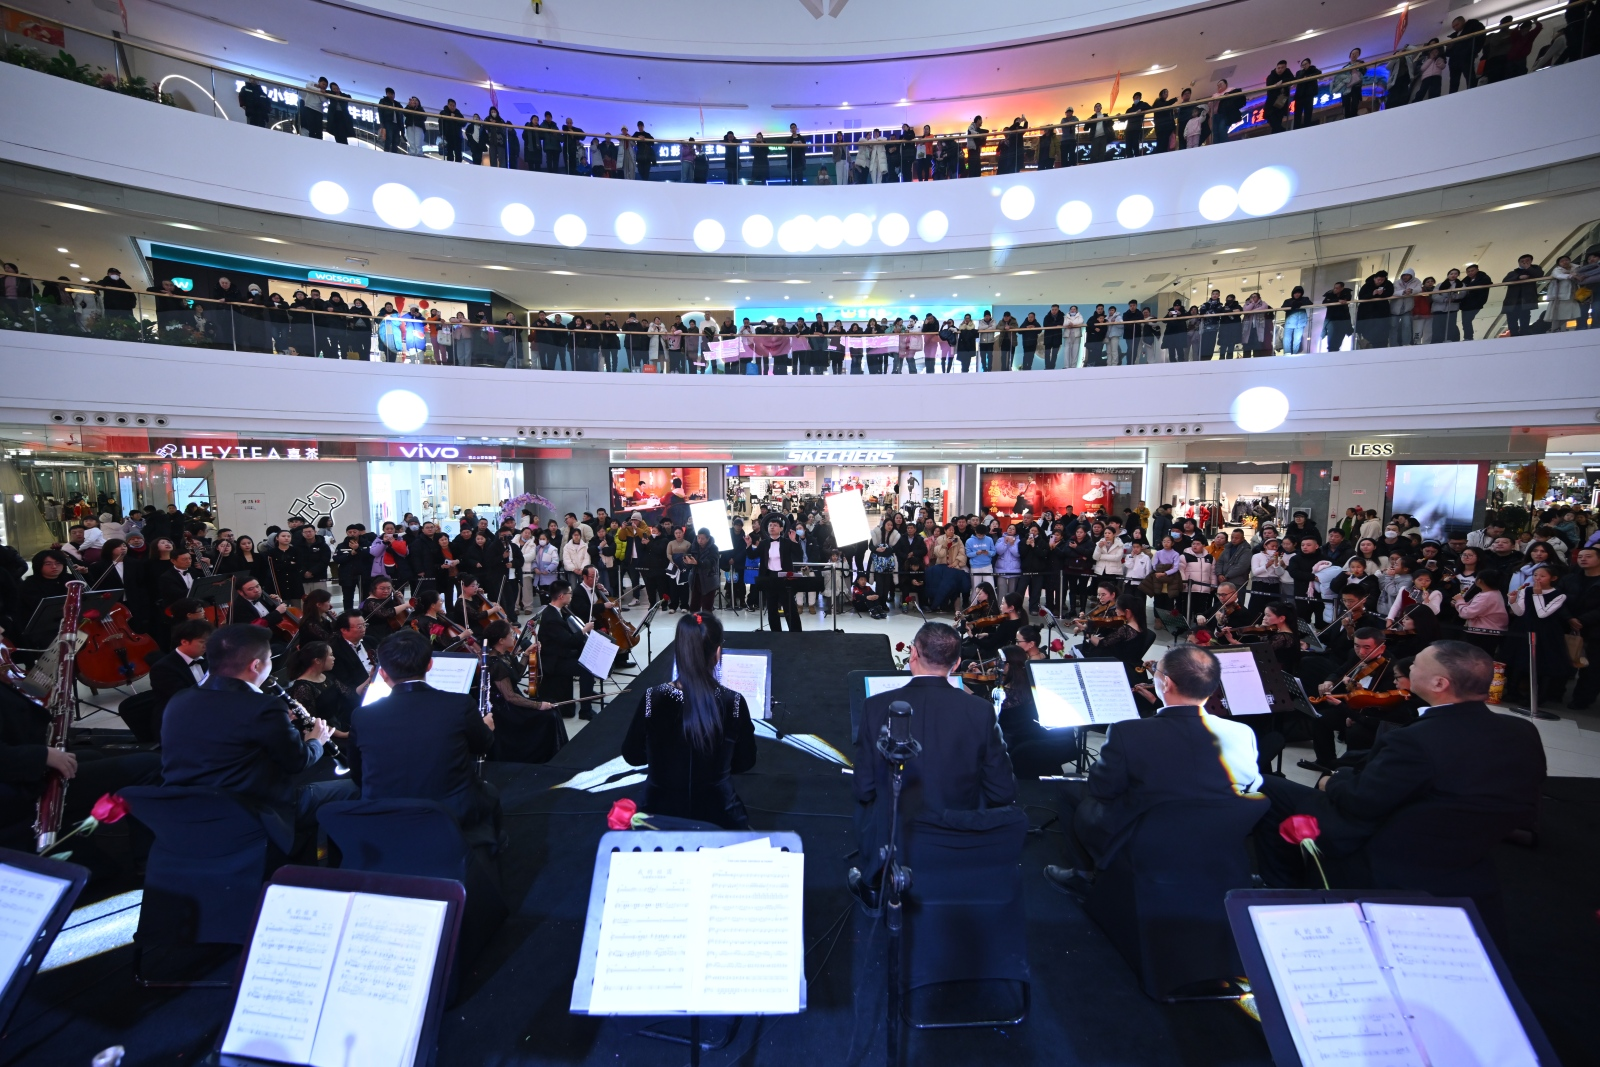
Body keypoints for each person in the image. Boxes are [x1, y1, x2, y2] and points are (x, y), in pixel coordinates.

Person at [1254, 643, 1545, 931]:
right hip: (1465, 844)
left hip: (1390, 842)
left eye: (1416, 664)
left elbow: (1360, 802)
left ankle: (1283, 886)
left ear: (1439, 683)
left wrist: (1334, 780)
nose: (1410, 668)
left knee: (1272, 787)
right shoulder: (1522, 730)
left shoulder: (1417, 740)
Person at [1043, 645, 1261, 893]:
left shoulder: (1128, 732)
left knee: (1070, 784)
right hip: (1214, 833)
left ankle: (1085, 874)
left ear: (1166, 683)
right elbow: (1250, 788)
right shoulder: (1243, 733)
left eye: (1156, 671)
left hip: (1148, 835)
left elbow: (1101, 789)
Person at [849, 622, 1016, 900]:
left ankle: (874, 878)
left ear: (913, 653)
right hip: (956, 826)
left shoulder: (876, 706)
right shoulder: (981, 712)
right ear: (957, 662)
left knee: (866, 799)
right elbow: (1003, 790)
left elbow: (863, 787)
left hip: (897, 826)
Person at [160, 625, 353, 852]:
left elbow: (228, 732)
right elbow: (298, 761)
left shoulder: (180, 699)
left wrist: (283, 724)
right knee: (354, 787)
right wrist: (315, 740)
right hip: (256, 807)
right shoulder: (264, 707)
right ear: (256, 665)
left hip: (194, 806)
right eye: (270, 659)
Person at [345, 629, 501, 851]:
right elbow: (482, 745)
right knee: (490, 792)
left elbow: (358, 774)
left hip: (384, 813)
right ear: (430, 665)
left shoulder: (362, 716)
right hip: (448, 811)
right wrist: (487, 727)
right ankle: (491, 851)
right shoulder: (459, 705)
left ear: (382, 673)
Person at [622, 612, 757, 828]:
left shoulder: (652, 698)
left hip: (658, 817)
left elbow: (633, 755)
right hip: (720, 816)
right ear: (717, 652)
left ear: (680, 651)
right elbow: (745, 761)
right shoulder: (734, 702)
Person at [536, 579, 597, 714]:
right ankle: (585, 710)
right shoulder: (551, 617)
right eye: (570, 593)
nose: (572, 596)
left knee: (587, 655)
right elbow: (568, 640)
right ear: (561, 596)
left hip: (562, 653)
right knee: (587, 668)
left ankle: (587, 691)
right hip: (554, 661)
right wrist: (583, 631)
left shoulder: (558, 611)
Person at [755, 518, 804, 632]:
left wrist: (794, 541)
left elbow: (799, 555)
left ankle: (796, 632)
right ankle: (775, 633)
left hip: (784, 577)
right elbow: (753, 555)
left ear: (781, 529)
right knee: (772, 608)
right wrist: (748, 546)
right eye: (770, 525)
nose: (772, 527)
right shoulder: (764, 543)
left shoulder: (787, 542)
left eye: (775, 525)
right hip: (769, 577)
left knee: (789, 607)